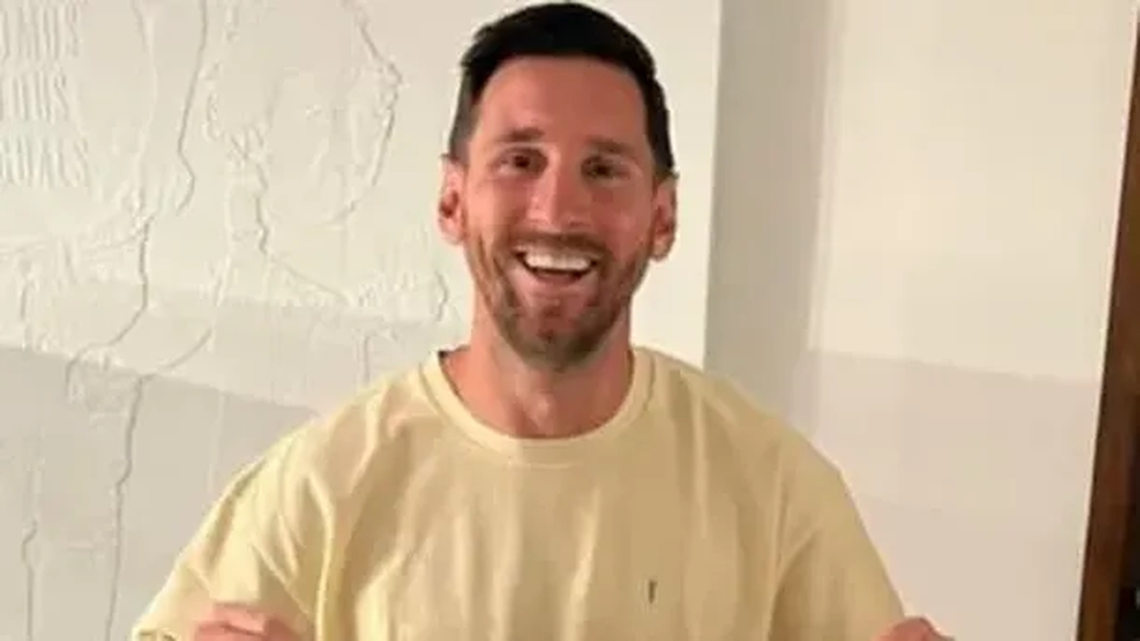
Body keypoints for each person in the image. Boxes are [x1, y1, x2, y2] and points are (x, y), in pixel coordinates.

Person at [132, 2, 950, 639]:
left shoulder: (773, 488)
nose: (558, 210)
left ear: (663, 216)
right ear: (453, 200)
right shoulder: (321, 485)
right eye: (520, 161)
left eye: (604, 168)